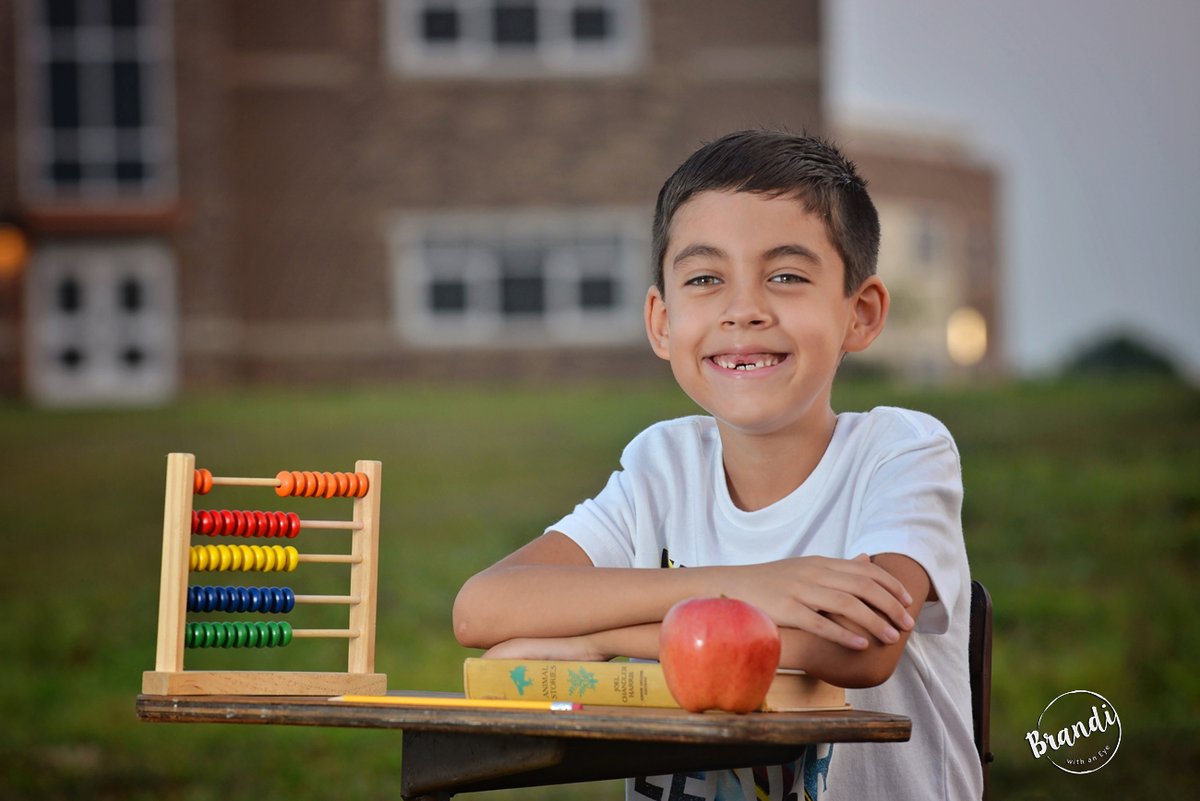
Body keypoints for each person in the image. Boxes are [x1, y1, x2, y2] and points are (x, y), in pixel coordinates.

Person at [453, 129, 982, 801]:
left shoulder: (901, 450)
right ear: (662, 320)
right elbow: (482, 607)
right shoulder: (662, 464)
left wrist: (598, 638)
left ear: (862, 312)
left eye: (786, 275)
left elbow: (861, 647)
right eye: (705, 279)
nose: (744, 310)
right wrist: (757, 586)